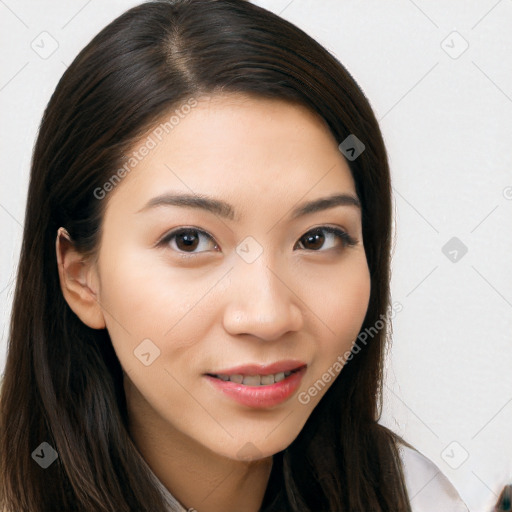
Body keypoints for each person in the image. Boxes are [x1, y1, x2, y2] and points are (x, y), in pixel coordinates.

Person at [0, 0, 469, 510]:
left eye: (317, 238)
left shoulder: (413, 494)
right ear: (79, 276)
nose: (267, 316)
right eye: (189, 240)